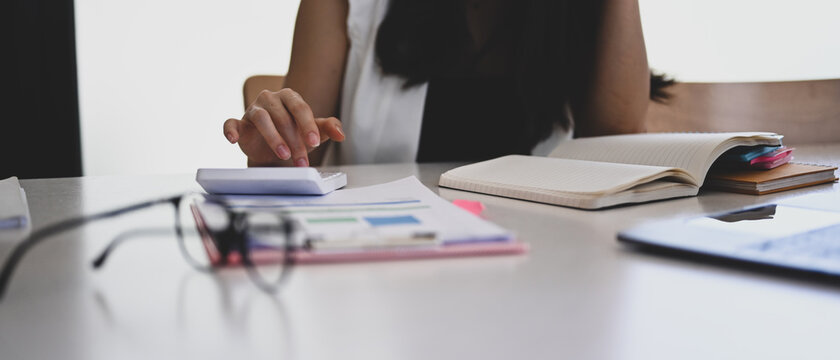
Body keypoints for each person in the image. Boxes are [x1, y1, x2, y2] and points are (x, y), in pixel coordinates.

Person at [223, 0, 673, 168]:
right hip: (384, 273)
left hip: (548, 270)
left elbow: (615, 135)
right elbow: (299, 153)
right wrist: (276, 144)